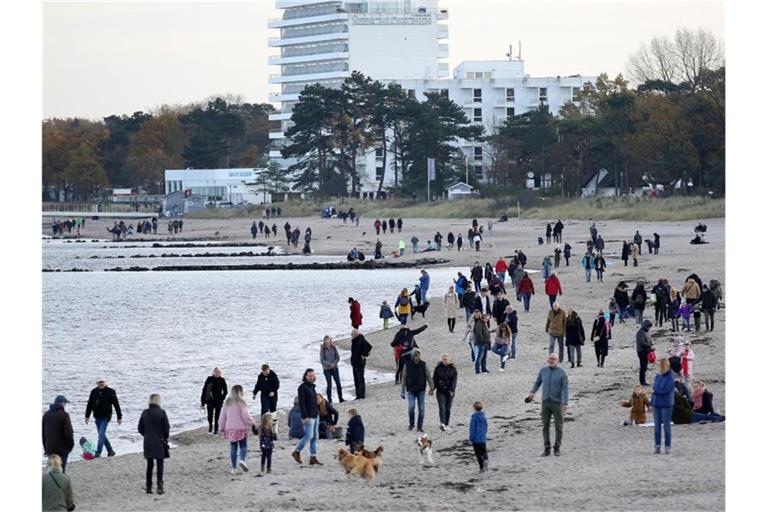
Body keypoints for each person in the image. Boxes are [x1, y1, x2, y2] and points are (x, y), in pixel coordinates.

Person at [528, 353, 569, 457]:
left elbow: (565, 388)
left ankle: (557, 447)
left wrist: (565, 403)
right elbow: (537, 382)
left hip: (557, 404)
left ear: (557, 361)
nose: (551, 361)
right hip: (545, 403)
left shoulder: (562, 373)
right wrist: (532, 392)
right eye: (550, 359)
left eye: (553, 359)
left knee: (558, 426)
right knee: (545, 426)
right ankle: (547, 448)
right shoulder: (543, 371)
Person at [138, 394, 170, 494]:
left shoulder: (145, 413)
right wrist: (164, 438)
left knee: (149, 464)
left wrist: (147, 435)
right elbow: (166, 428)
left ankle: (148, 486)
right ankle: (160, 486)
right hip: (159, 441)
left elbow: (140, 428)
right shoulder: (161, 412)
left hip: (148, 441)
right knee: (160, 464)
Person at [219, 385, 255, 474]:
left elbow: (222, 417)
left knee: (233, 447)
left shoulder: (227, 403)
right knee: (243, 446)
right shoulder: (241, 403)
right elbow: (246, 416)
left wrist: (221, 428)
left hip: (230, 429)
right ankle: (242, 460)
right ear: (240, 392)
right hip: (241, 428)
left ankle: (234, 468)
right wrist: (252, 423)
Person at [85, 377, 122, 458]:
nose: (101, 384)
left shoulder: (111, 391)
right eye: (99, 382)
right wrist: (87, 416)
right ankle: (110, 451)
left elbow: (116, 404)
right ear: (97, 383)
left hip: (106, 416)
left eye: (102, 382)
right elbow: (89, 405)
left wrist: (119, 417)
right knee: (102, 435)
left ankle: (98, 453)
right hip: (97, 416)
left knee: (101, 434)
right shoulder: (94, 392)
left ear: (105, 382)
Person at [400, 349, 435, 432]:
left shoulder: (424, 365)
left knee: (422, 409)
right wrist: (402, 391)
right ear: (412, 356)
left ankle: (420, 426)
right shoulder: (407, 365)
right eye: (415, 355)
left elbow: (428, 376)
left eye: (418, 355)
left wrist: (432, 388)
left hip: (421, 390)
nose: (417, 357)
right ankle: (411, 424)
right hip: (411, 390)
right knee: (411, 407)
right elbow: (404, 378)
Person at [292, 369, 322, 465]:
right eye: (310, 376)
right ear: (305, 376)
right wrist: (305, 416)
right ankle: (296, 451)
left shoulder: (312, 387)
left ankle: (313, 457)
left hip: (315, 414)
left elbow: (312, 401)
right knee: (309, 435)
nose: (312, 377)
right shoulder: (302, 387)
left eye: (313, 375)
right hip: (308, 416)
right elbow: (302, 403)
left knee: (314, 437)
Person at [42, 395, 74, 474]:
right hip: (63, 448)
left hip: (50, 447)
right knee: (62, 468)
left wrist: (46, 448)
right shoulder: (64, 415)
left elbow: (43, 433)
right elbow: (69, 433)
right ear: (62, 404)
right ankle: (61, 484)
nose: (65, 405)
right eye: (65, 403)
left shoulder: (46, 415)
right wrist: (71, 445)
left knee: (51, 468)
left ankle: (50, 484)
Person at [652, 358, 675, 454]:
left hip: (666, 403)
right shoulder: (657, 376)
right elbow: (654, 387)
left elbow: (668, 389)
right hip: (656, 403)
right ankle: (657, 446)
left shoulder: (670, 376)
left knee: (666, 426)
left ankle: (667, 447)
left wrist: (657, 392)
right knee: (657, 427)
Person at [433, 354, 458, 432]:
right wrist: (432, 389)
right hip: (440, 391)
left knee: (448, 408)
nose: (445, 361)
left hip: (450, 391)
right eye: (443, 359)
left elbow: (454, 381)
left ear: (449, 360)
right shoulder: (437, 368)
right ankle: (442, 423)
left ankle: (446, 423)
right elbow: (434, 379)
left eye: (446, 359)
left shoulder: (453, 369)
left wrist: (452, 390)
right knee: (442, 407)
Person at [201, 367, 228, 435]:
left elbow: (225, 391)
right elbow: (204, 390)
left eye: (218, 372)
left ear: (220, 373)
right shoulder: (209, 379)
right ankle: (210, 426)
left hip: (218, 401)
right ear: (213, 372)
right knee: (210, 416)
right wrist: (202, 401)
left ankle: (216, 430)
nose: (217, 373)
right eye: (215, 372)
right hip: (210, 400)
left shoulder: (222, 380)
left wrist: (222, 398)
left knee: (217, 417)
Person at [320, 336, 344, 403]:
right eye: (326, 340)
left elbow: (338, 357)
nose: (327, 341)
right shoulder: (322, 349)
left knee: (338, 383)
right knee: (329, 384)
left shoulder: (333, 347)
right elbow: (322, 360)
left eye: (329, 340)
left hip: (335, 368)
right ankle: (329, 400)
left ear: (330, 340)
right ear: (324, 341)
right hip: (327, 369)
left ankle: (341, 398)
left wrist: (334, 363)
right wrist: (330, 364)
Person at [350, 329, 372, 400]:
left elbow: (369, 347)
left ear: (356, 334)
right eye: (351, 335)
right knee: (356, 379)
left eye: (352, 334)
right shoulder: (354, 340)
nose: (351, 336)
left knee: (360, 379)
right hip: (354, 362)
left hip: (360, 362)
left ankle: (362, 395)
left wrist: (364, 355)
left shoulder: (361, 339)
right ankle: (358, 395)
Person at [467, 309, 491, 374]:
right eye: (487, 319)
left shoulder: (483, 323)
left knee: (484, 357)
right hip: (481, 343)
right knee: (479, 357)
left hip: (485, 343)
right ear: (483, 318)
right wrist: (483, 341)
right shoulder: (479, 324)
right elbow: (479, 334)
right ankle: (477, 370)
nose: (488, 320)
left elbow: (486, 332)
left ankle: (484, 368)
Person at [469, 401, 489, 473]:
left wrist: (471, 438)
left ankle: (481, 467)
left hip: (476, 440)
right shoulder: (484, 417)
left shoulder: (474, 418)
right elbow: (486, 426)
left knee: (478, 454)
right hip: (483, 438)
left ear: (474, 408)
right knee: (484, 451)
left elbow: (472, 429)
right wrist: (484, 435)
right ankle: (486, 459)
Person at [636, 319, 654, 386]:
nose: (649, 328)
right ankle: (642, 381)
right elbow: (642, 343)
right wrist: (649, 346)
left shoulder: (647, 331)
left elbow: (649, 340)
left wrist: (651, 345)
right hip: (641, 352)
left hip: (646, 351)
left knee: (645, 366)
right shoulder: (640, 332)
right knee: (643, 367)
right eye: (648, 327)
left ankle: (643, 381)